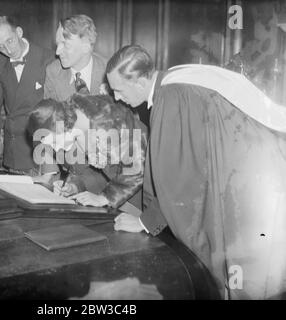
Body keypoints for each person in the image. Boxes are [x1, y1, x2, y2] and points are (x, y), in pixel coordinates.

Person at [106, 45, 286, 299]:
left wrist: (145, 222)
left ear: (140, 81)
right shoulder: (175, 78)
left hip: (240, 189)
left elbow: (179, 178)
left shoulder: (171, 97)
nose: (115, 97)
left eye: (119, 89)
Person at [28, 94, 146, 209]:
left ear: (59, 127)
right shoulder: (78, 126)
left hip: (146, 197)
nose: (57, 149)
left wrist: (105, 197)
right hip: (125, 197)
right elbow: (101, 171)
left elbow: (137, 168)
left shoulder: (104, 123)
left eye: (54, 143)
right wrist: (75, 186)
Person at [0, 16, 53, 174]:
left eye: (10, 41)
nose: (8, 51)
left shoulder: (48, 58)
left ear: (19, 32)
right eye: (0, 46)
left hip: (42, 148)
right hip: (14, 149)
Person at [44, 14, 107, 101]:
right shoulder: (53, 71)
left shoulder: (108, 70)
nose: (57, 52)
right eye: (57, 44)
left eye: (65, 45)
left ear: (86, 47)